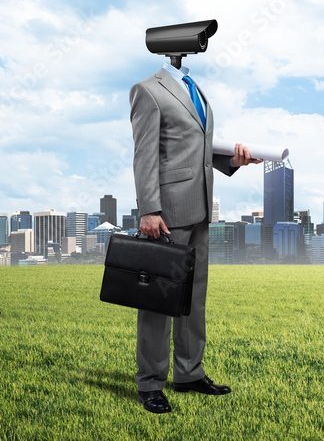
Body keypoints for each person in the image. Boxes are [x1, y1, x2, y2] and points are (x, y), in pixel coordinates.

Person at [129, 60, 261, 414]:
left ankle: (188, 373)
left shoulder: (193, 87)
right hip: (166, 212)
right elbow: (144, 153)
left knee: (193, 299)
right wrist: (148, 209)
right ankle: (150, 384)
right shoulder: (147, 89)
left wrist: (232, 161)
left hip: (199, 206)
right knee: (159, 301)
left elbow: (194, 147)